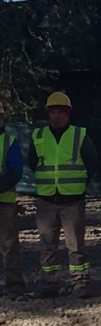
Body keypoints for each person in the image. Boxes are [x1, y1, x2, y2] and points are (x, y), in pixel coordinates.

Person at [29, 91, 99, 298]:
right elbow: (33, 163)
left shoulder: (80, 135)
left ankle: (80, 283)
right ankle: (49, 284)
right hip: (46, 199)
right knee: (47, 244)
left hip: (72, 199)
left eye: (60, 111)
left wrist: (78, 184)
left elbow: (91, 163)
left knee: (76, 245)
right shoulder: (38, 135)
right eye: (52, 111)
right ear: (48, 114)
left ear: (68, 114)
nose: (56, 115)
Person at [0, 103, 26, 296]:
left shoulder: (9, 141)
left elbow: (15, 171)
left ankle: (14, 285)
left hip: (5, 202)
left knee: (9, 245)